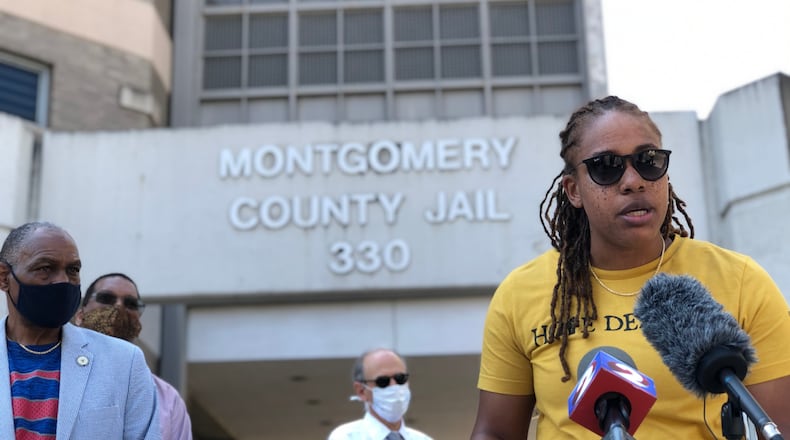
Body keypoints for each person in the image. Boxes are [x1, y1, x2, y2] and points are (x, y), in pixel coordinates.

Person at [470, 96, 790, 439]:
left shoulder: (740, 280)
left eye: (648, 161)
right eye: (607, 166)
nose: (634, 181)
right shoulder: (520, 294)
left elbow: (782, 427)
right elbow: (495, 433)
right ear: (574, 190)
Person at [0, 221, 160, 439]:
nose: (63, 281)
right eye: (45, 268)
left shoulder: (124, 362)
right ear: (3, 277)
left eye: (72, 270)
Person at [74, 272, 194, 440]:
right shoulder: (57, 375)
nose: (119, 306)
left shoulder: (167, 399)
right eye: (107, 298)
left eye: (131, 304)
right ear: (80, 316)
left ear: (138, 322)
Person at [328, 348, 433, 440]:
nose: (394, 386)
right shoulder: (345, 437)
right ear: (361, 391)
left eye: (400, 378)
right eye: (383, 381)